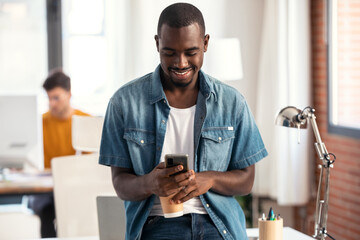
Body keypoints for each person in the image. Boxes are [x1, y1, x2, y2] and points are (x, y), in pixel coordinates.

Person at [99, 3, 268, 240]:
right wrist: (150, 183)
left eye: (191, 52)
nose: (180, 63)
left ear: (205, 43)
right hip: (157, 226)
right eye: (169, 52)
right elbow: (120, 183)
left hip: (219, 227)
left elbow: (246, 180)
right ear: (157, 43)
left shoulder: (232, 102)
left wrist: (210, 179)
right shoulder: (123, 103)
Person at [29, 70, 90, 238]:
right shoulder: (39, 123)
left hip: (75, 186)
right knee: (47, 209)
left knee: (79, 208)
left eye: (56, 98)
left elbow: (92, 165)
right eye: (48, 98)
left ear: (69, 94)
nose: (51, 103)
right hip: (46, 188)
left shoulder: (85, 121)